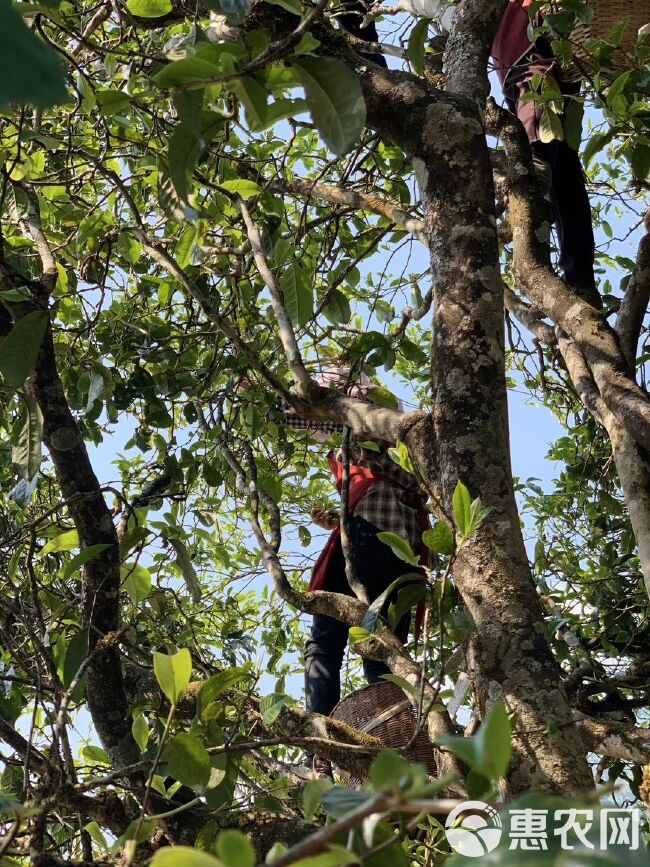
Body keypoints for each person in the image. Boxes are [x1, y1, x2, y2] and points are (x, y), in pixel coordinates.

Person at [284, 370, 429, 773]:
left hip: (369, 540)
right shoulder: (395, 461)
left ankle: (322, 746)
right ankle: (394, 741)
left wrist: (269, 390)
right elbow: (386, 503)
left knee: (327, 640)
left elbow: (298, 411)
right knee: (381, 652)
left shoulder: (363, 434)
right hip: (402, 560)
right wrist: (337, 520)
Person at [491, 0, 601, 307]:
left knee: (553, 161)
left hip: (546, 57)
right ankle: (581, 278)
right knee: (561, 166)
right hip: (531, 55)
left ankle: (580, 277)